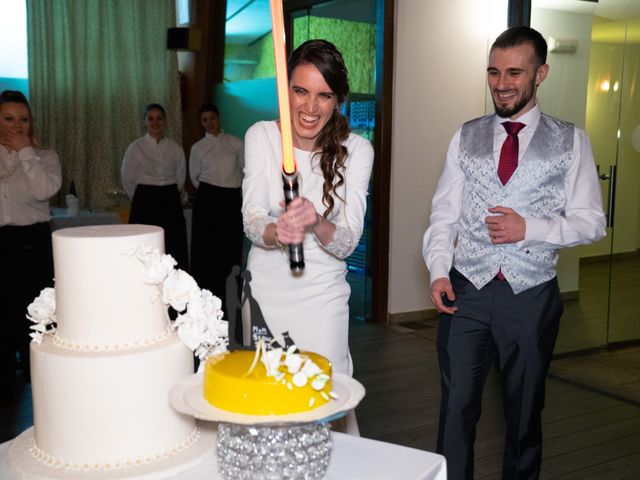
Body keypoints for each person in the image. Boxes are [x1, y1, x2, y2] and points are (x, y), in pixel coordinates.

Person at [422, 26, 607, 479]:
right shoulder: (465, 136)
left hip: (531, 297)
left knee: (523, 415)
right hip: (465, 292)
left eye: (514, 72)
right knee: (456, 410)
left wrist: (531, 228)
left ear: (540, 73)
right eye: (493, 72)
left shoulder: (572, 140)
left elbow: (592, 222)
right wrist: (438, 269)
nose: (501, 83)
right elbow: (443, 213)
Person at [242, 39, 374, 434]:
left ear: (338, 101)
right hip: (266, 292)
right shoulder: (262, 136)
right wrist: (276, 231)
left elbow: (349, 241)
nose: (311, 107)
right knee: (269, 407)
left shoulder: (357, 150)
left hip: (322, 295)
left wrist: (316, 222)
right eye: (301, 91)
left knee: (325, 405)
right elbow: (251, 218)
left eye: (324, 95)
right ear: (286, 92)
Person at [0, 90, 61, 403]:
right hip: (2, 243)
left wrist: (24, 152)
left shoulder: (45, 157)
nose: (17, 125)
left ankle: (41, 389)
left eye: (23, 119)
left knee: (33, 320)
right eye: (9, 119)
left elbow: (43, 191)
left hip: (32, 244)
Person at [121, 103, 188, 271]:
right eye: (150, 118)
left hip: (170, 198)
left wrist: (170, 193)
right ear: (145, 122)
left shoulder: (175, 148)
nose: (155, 122)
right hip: (145, 200)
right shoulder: (135, 148)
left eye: (159, 118)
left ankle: (175, 290)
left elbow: (180, 178)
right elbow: (127, 178)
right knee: (143, 246)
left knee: (172, 246)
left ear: (165, 122)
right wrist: (139, 197)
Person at [189, 102, 244, 304]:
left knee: (230, 244)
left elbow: (243, 170)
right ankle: (206, 288)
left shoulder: (235, 143)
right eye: (205, 120)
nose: (209, 123)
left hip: (230, 198)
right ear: (201, 123)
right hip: (207, 198)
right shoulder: (197, 148)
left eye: (212, 118)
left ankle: (230, 288)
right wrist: (210, 192)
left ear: (218, 118)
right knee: (207, 245)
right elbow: (194, 176)